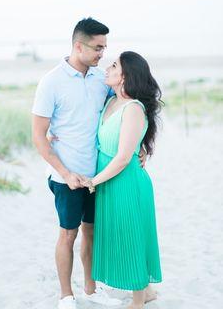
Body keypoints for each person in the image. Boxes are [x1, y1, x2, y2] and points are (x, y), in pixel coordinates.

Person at [32, 18, 146, 309]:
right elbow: (39, 137)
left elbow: (126, 109)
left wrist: (142, 144)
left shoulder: (100, 79)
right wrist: (65, 172)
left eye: (105, 48)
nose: (102, 54)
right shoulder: (51, 82)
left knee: (92, 231)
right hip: (66, 177)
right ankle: (65, 294)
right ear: (78, 45)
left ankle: (92, 289)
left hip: (99, 176)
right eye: (97, 48)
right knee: (68, 234)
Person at [82, 51, 163, 309]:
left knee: (133, 236)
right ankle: (147, 291)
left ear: (125, 76)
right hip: (111, 183)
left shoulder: (133, 108)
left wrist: (94, 181)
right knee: (120, 234)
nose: (108, 67)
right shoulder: (111, 103)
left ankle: (138, 301)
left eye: (114, 65)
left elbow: (123, 158)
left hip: (126, 182)